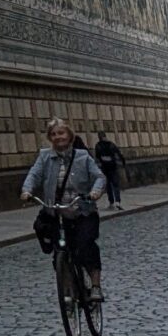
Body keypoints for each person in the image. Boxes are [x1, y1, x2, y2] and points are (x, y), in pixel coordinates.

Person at [22, 119, 105, 304]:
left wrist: (95, 192)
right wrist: (26, 190)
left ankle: (95, 286)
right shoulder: (44, 157)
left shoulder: (82, 156)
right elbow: (34, 174)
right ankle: (68, 288)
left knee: (86, 246)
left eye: (61, 133)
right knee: (59, 251)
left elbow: (99, 177)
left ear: (69, 135)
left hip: (82, 211)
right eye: (53, 134)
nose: (58, 137)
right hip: (56, 212)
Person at [92, 130, 126, 210]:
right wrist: (123, 163)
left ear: (99, 137)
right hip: (113, 166)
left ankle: (111, 203)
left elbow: (97, 157)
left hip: (104, 167)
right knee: (115, 185)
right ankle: (117, 202)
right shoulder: (111, 144)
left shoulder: (98, 145)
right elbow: (118, 153)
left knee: (108, 186)